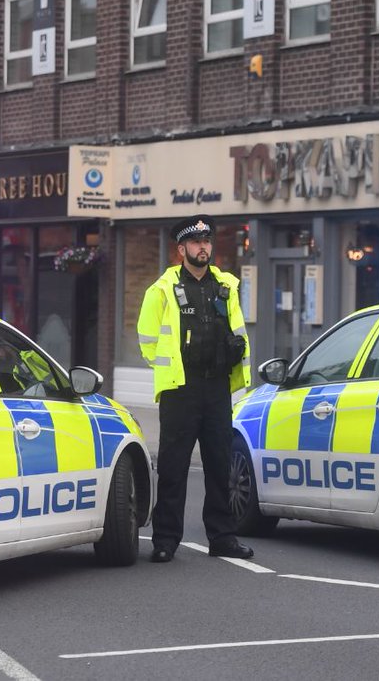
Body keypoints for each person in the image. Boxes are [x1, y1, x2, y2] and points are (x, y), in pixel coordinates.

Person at [138, 214, 253, 563]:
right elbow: (147, 341)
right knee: (173, 467)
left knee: (219, 464)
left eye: (206, 242)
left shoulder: (226, 286)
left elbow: (236, 330)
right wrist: (172, 367)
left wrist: (234, 351)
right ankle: (165, 539)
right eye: (195, 242)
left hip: (217, 386)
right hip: (180, 388)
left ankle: (222, 537)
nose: (203, 247)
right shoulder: (162, 289)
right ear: (182, 249)